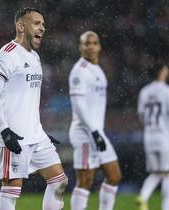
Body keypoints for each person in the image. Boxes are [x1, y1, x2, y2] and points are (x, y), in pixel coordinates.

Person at [0, 7, 68, 210]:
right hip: (13, 134)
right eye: (37, 23)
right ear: (21, 26)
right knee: (12, 190)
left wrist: (39, 130)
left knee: (59, 181)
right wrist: (4, 130)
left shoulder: (34, 57)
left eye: (43, 24)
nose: (42, 27)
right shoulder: (6, 55)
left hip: (36, 134)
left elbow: (26, 100)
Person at [68, 31, 122, 210]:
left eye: (94, 43)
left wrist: (97, 132)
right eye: (86, 43)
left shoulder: (97, 69)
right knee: (85, 180)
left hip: (97, 133)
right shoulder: (79, 71)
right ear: (80, 47)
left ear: (99, 47)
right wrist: (94, 131)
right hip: (84, 133)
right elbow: (78, 104)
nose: (90, 46)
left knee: (114, 176)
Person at [136, 63, 169, 210]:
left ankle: (143, 197)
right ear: (161, 72)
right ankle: (158, 204)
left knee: (157, 172)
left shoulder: (144, 91)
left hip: (149, 138)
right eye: (165, 68)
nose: (168, 70)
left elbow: (141, 116)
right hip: (166, 138)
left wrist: (149, 128)